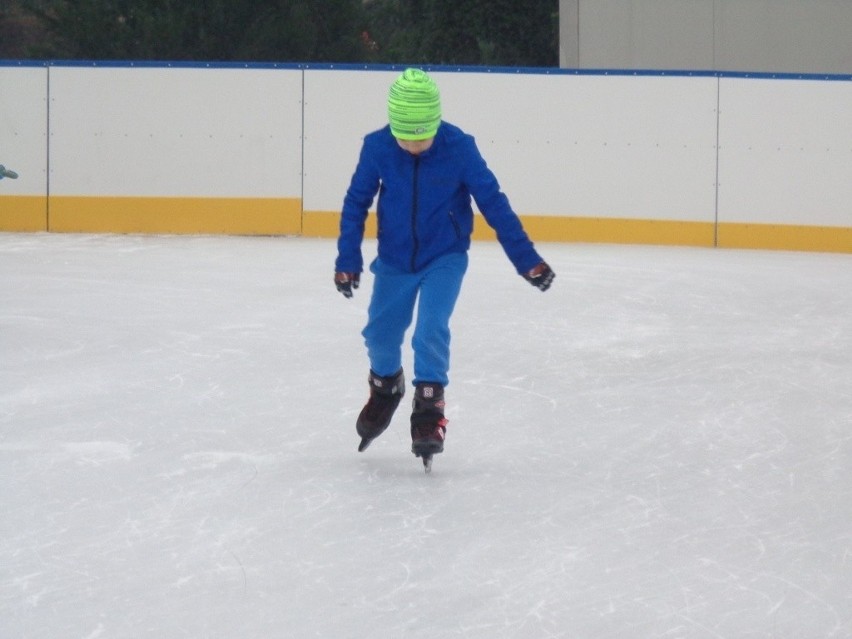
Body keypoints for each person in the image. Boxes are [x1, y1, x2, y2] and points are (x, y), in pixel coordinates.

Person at [334, 68, 554, 465]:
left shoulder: (458, 147)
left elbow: (493, 203)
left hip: (445, 256)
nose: (415, 145)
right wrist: (348, 259)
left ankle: (429, 407)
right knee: (380, 335)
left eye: (423, 136)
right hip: (395, 259)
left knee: (430, 330)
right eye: (407, 138)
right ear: (393, 126)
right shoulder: (378, 147)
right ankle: (386, 387)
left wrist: (527, 260)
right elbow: (355, 203)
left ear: (436, 123)